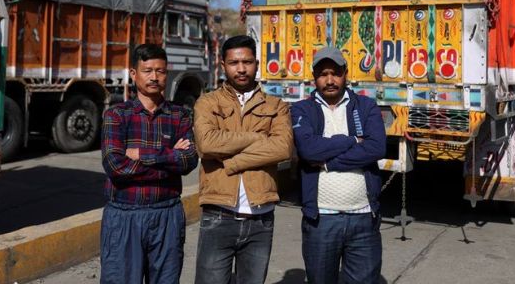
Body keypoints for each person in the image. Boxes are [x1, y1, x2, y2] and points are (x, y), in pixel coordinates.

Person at [193, 35, 293, 284]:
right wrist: (257, 137)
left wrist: (233, 161)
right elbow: (206, 143)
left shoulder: (277, 105)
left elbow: (282, 148)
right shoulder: (207, 102)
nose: (241, 69)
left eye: (247, 62)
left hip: (261, 217)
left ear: (256, 64)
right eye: (234, 63)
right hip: (219, 215)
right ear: (223, 65)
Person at [100, 44, 198, 284]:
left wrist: (142, 154)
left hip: (167, 215)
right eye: (147, 70)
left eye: (161, 71)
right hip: (124, 216)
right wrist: (169, 157)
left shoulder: (180, 115)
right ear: (134, 74)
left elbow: (188, 160)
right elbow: (115, 167)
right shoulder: (117, 115)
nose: (154, 77)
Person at [291, 46, 387, 284]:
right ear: (315, 78)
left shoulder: (365, 107)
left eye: (335, 73)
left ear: (345, 73)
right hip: (321, 219)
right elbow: (308, 149)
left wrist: (326, 163)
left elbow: (376, 148)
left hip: (364, 218)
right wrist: (352, 140)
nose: (330, 80)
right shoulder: (302, 109)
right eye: (323, 74)